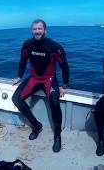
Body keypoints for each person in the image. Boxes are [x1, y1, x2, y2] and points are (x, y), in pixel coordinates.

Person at [11, 19, 69, 153]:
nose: (37, 31)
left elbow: (65, 67)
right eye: (35, 29)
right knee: (16, 99)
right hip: (34, 78)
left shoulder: (55, 47)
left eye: (39, 29)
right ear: (32, 30)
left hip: (49, 79)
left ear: (45, 30)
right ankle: (36, 125)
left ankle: (57, 135)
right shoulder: (27, 45)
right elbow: (22, 61)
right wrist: (19, 76)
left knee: (55, 103)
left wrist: (65, 85)